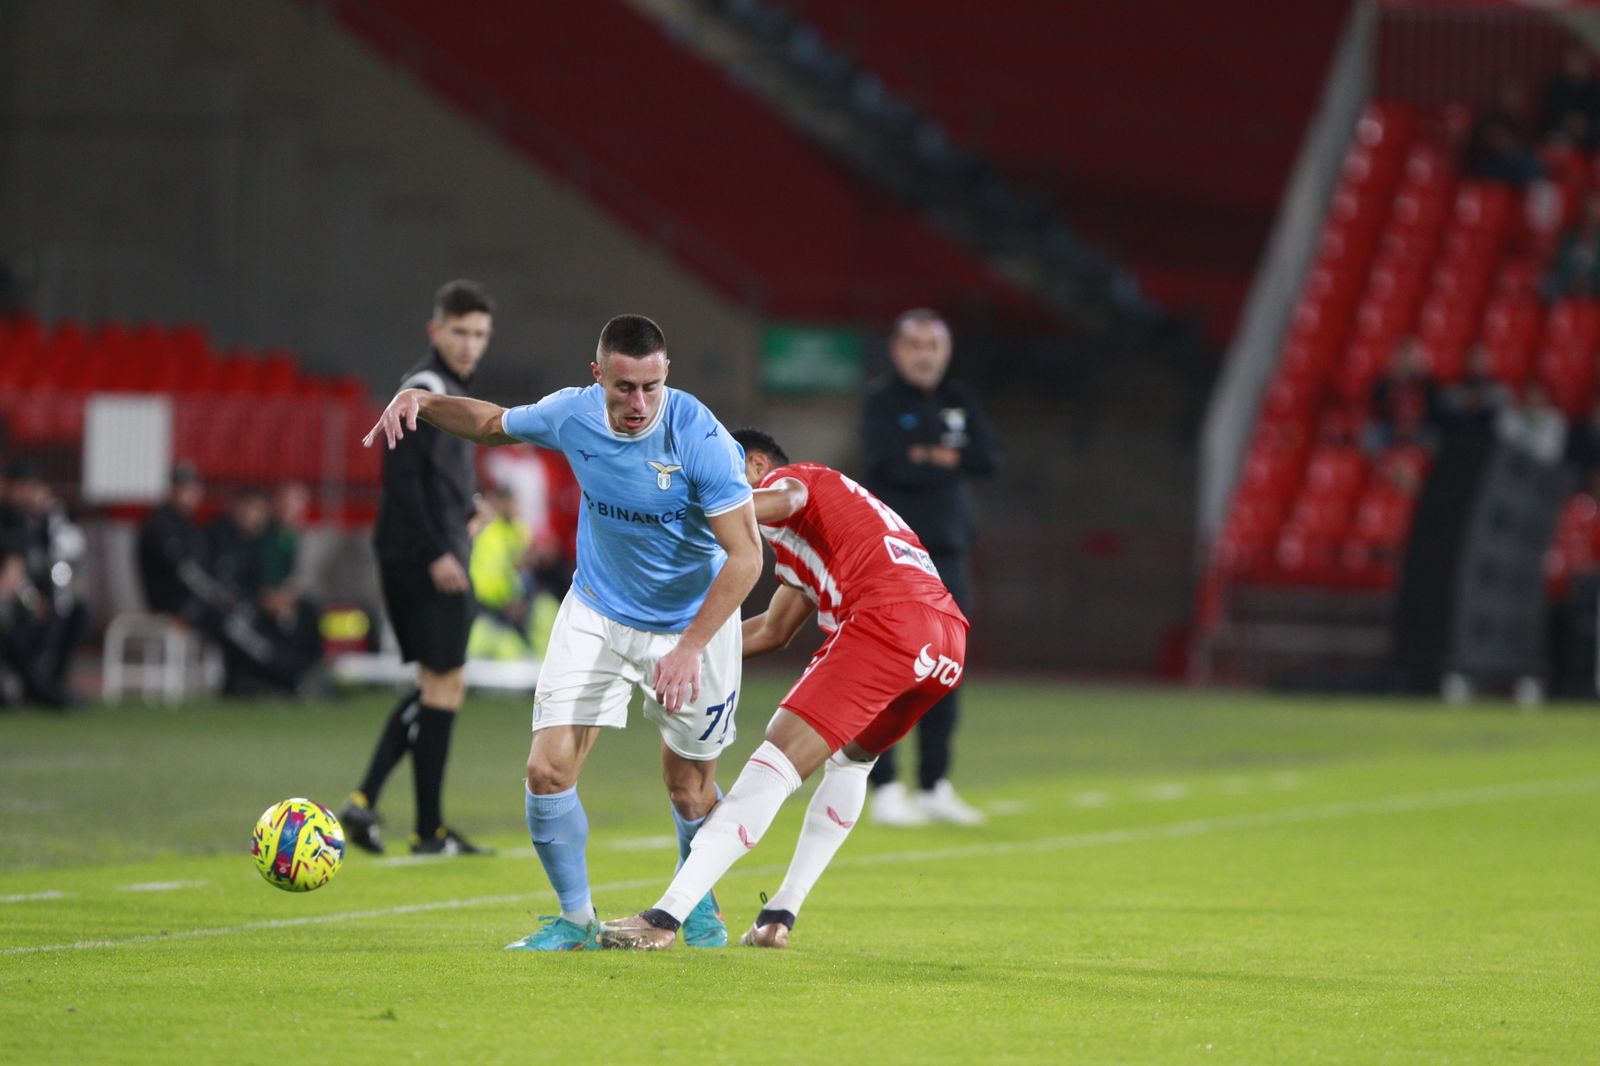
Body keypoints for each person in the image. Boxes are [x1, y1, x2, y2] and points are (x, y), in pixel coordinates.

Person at [361, 312, 762, 951]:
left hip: (692, 626)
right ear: (596, 374)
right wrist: (423, 400)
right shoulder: (571, 414)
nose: (637, 404)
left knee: (689, 788)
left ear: (666, 376)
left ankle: (697, 902)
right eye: (623, 388)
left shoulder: (700, 438)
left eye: (650, 388)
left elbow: (746, 557)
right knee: (547, 772)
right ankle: (575, 920)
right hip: (599, 612)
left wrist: (689, 647)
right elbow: (492, 425)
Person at [596, 428, 970, 951]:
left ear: (753, 464)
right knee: (854, 762)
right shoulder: (813, 535)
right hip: (945, 639)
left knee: (774, 761)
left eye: (721, 468)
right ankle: (779, 915)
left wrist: (690, 506)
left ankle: (664, 918)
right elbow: (771, 631)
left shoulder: (794, 481)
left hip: (887, 621)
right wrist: (675, 655)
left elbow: (785, 496)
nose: (711, 478)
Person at [339, 279, 498, 858]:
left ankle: (373, 805)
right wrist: (439, 550)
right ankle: (425, 830)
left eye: (479, 333)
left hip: (425, 552)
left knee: (437, 686)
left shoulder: (443, 391)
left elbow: (435, 480)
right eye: (460, 331)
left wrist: (470, 509)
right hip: (424, 559)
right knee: (443, 684)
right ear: (436, 331)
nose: (470, 343)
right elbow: (400, 479)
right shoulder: (423, 390)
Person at [858, 308, 999, 827]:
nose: (925, 354)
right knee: (892, 669)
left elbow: (990, 457)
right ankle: (885, 785)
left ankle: (935, 783)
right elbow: (886, 463)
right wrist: (947, 458)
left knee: (946, 669)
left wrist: (929, 456)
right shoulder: (881, 401)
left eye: (934, 345)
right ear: (897, 350)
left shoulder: (959, 399)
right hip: (898, 555)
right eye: (915, 344)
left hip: (952, 552)